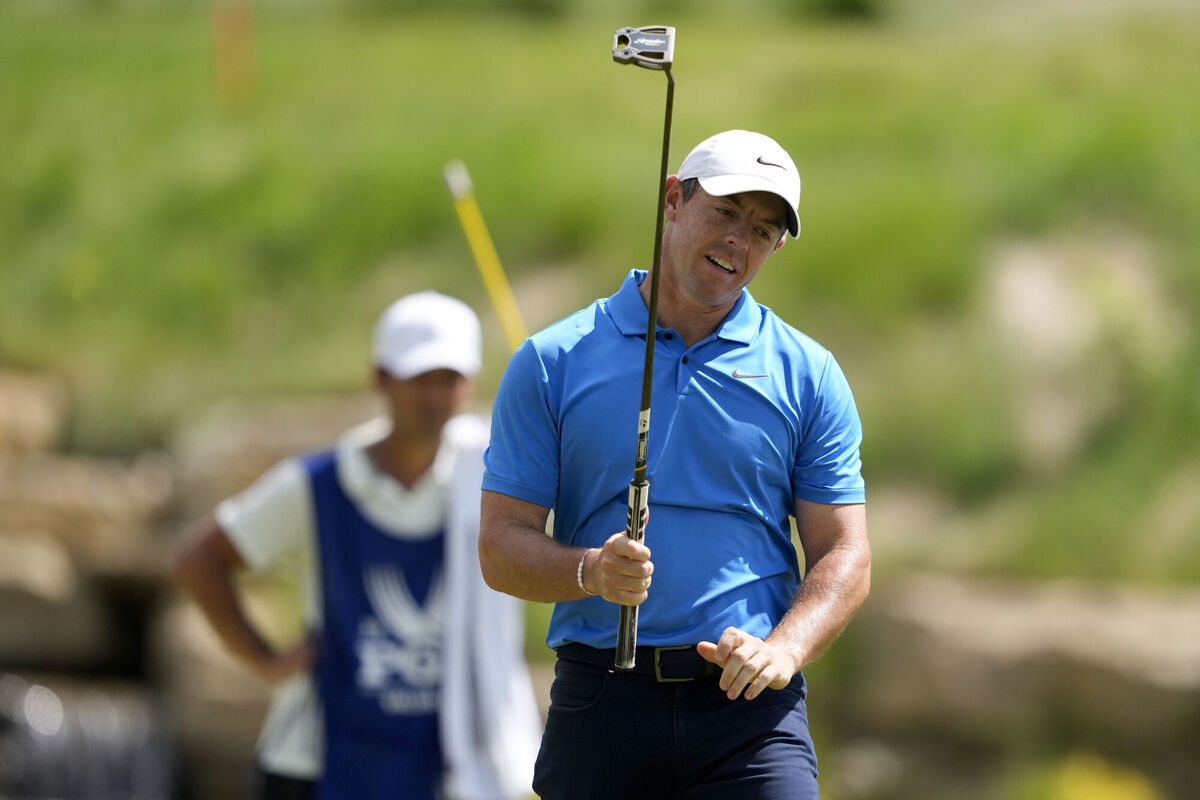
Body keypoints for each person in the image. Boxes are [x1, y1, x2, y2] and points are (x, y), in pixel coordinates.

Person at [478, 130, 870, 799]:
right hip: (602, 700)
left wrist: (784, 650)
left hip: (750, 712)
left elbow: (845, 554)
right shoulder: (554, 360)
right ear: (672, 200)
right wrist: (589, 571)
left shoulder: (808, 373)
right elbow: (499, 546)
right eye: (725, 213)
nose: (738, 242)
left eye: (763, 230)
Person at [172, 291, 541, 800]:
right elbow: (200, 560)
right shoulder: (317, 483)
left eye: (449, 379)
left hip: (447, 761)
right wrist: (264, 660)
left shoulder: (492, 479)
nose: (435, 396)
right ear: (381, 378)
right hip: (316, 763)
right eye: (419, 378)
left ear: (471, 383)